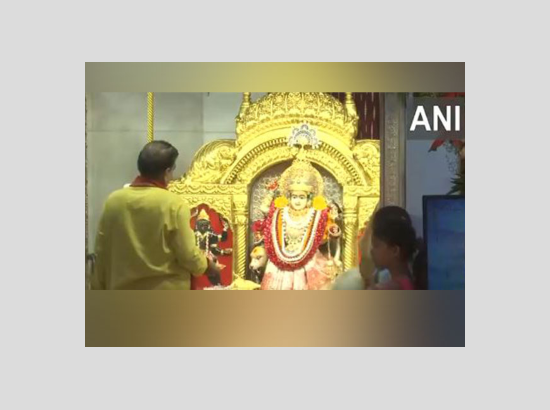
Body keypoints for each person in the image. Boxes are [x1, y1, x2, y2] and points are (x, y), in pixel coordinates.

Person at [91, 140, 220, 290]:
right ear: (167, 172)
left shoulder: (113, 201)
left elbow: (102, 252)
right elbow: (188, 255)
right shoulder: (173, 204)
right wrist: (209, 266)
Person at [257, 153, 342, 290]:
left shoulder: (315, 214)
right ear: (289, 197)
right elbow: (264, 209)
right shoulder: (281, 212)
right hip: (281, 259)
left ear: (308, 199)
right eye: (294, 197)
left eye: (301, 197)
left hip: (308, 259)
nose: (297, 201)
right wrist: (271, 192)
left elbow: (323, 238)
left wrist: (333, 231)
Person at [361, 207, 418, 290]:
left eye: (376, 246)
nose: (372, 251)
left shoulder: (393, 288)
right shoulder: (405, 280)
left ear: (395, 250)